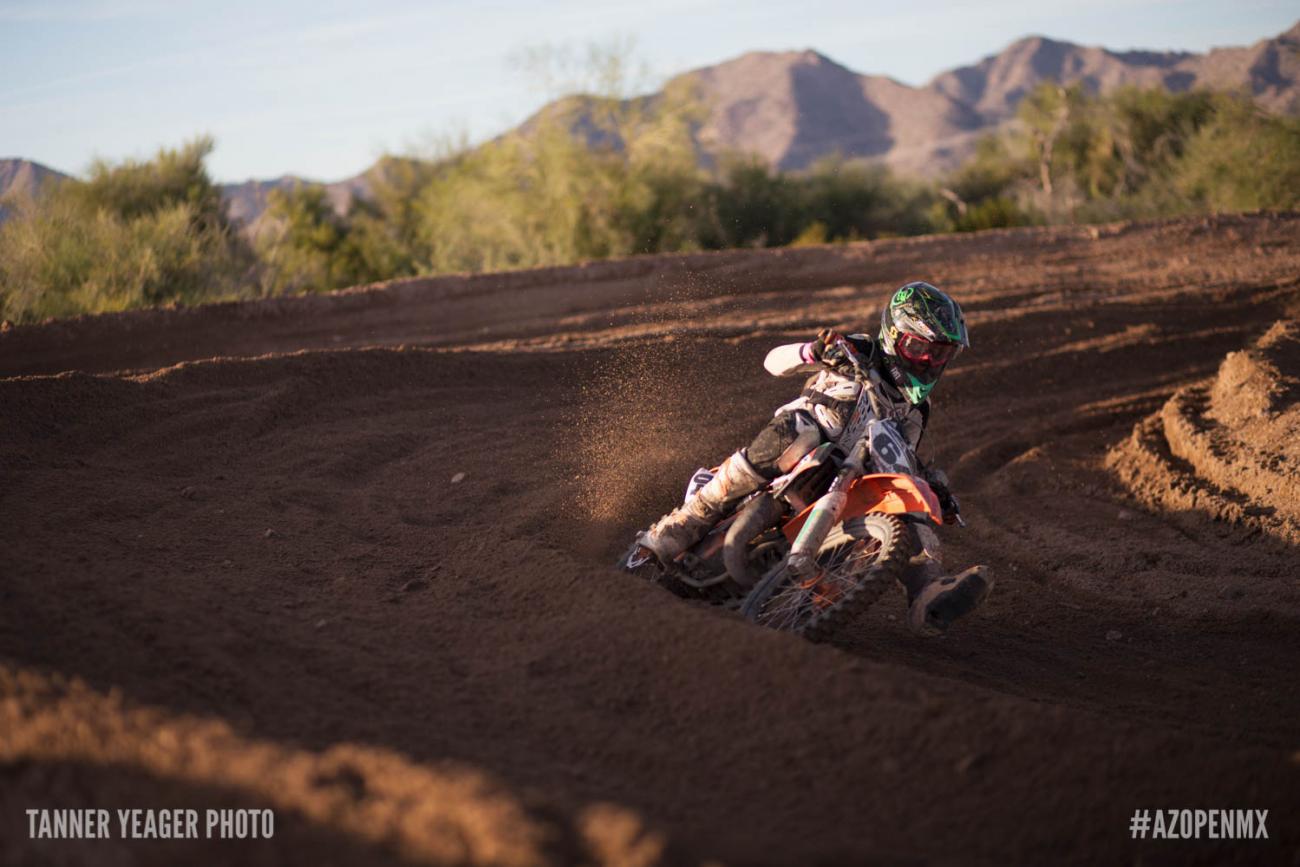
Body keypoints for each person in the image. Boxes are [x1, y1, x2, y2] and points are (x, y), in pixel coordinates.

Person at [638, 280, 992, 634]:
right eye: (919, 347)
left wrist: (927, 484)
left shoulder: (917, 409)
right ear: (894, 335)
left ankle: (927, 591)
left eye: (941, 353)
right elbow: (772, 362)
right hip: (804, 444)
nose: (929, 360)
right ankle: (680, 525)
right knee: (800, 432)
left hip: (853, 476)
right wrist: (812, 352)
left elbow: (903, 453)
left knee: (901, 501)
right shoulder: (858, 350)